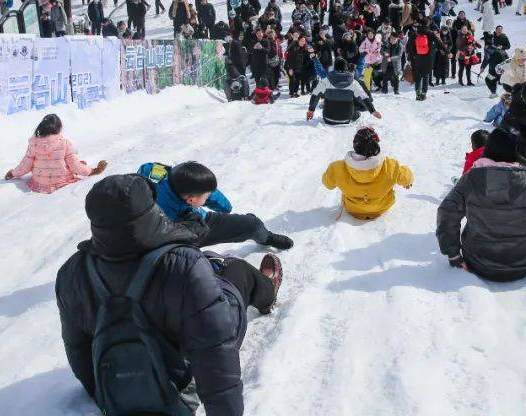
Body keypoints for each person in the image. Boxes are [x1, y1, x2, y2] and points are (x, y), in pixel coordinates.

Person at [55, 174, 283, 416]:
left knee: (203, 272)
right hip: (181, 382)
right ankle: (267, 290)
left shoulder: (72, 272)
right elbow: (215, 351)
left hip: (118, 381)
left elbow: (78, 349)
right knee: (236, 271)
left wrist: (106, 397)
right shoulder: (182, 265)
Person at [437, 128, 526, 282]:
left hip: (477, 262)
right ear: (521, 152)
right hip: (525, 263)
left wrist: (454, 255)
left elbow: (447, 212)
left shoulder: (471, 178)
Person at [142, 160, 293, 250]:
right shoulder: (170, 219)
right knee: (251, 225)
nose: (209, 196)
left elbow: (145, 168)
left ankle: (265, 236)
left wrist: (224, 208)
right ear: (191, 201)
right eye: (206, 196)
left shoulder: (162, 174)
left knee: (250, 224)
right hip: (180, 235)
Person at [321, 127, 413, 220]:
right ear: (376, 144)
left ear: (354, 145)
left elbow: (328, 184)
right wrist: (407, 181)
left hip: (352, 209)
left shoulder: (337, 168)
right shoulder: (391, 166)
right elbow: (407, 178)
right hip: (382, 208)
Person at [5, 114, 106, 194]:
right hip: (61, 182)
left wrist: (13, 173)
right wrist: (92, 171)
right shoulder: (65, 143)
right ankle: (85, 167)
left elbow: (25, 165)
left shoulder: (34, 144)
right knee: (75, 163)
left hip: (40, 184)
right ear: (59, 128)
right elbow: (75, 166)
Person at [307, 58, 381, 125]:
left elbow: (315, 95)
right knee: (355, 106)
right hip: (346, 119)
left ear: (334, 68)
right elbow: (363, 98)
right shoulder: (353, 82)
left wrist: (311, 110)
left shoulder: (326, 80)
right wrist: (373, 111)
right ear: (346, 68)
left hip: (328, 118)